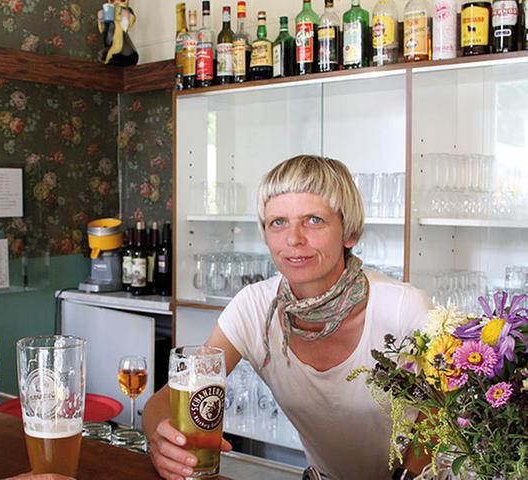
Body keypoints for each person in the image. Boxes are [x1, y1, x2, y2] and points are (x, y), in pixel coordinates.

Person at [144, 155, 432, 479]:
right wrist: (160, 439)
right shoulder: (254, 308)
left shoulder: (404, 309)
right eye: (278, 222)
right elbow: (167, 399)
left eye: (313, 220)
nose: (294, 239)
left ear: (349, 232)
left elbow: (444, 410)